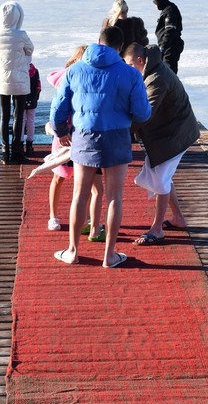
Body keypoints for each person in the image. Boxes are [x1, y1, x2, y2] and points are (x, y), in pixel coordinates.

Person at [49, 27, 151, 267]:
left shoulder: (74, 71)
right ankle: (110, 255)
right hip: (116, 136)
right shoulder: (131, 74)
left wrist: (61, 132)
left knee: (79, 195)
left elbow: (58, 110)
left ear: (97, 41)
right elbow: (142, 113)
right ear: (120, 46)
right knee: (115, 197)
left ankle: (73, 251)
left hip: (84, 136)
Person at [122, 43, 199, 245]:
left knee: (160, 180)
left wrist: (118, 131)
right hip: (170, 131)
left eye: (129, 65)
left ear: (140, 60)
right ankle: (179, 219)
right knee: (163, 176)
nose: (128, 69)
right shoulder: (151, 68)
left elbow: (144, 114)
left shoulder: (156, 79)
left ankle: (157, 229)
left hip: (175, 134)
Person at [45, 46, 104, 238]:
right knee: (59, 176)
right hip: (64, 137)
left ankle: (87, 218)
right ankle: (53, 215)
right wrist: (57, 129)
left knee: (87, 182)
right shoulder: (68, 78)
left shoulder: (92, 78)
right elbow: (57, 108)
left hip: (84, 137)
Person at [0, 1, 34, 164]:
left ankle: (4, 152)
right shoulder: (21, 35)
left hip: (1, 80)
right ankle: (16, 151)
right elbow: (30, 49)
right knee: (18, 115)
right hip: (20, 80)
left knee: (4, 115)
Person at [152, 0, 184, 74]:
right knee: (166, 70)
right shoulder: (168, 9)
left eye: (155, 4)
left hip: (170, 47)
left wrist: (163, 46)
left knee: (169, 71)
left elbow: (170, 31)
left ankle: (170, 87)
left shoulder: (170, 12)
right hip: (168, 46)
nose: (155, 7)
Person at [23, 62, 41, 156]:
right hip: (32, 98)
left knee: (20, 121)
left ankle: (20, 143)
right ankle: (29, 145)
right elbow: (38, 86)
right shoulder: (35, 71)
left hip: (21, 98)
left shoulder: (20, 70)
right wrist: (36, 98)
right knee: (31, 121)